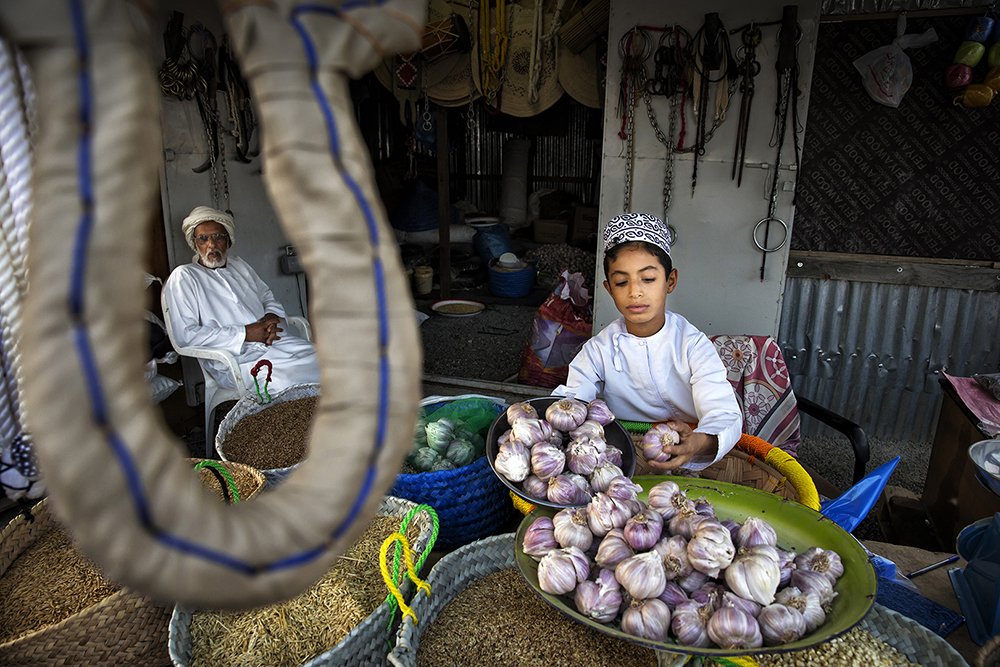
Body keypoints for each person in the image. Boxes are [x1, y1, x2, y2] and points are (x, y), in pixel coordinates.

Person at [553, 212, 742, 471]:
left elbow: (723, 412)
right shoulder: (599, 350)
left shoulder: (692, 346)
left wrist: (696, 443)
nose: (635, 292)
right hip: (625, 458)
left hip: (695, 456)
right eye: (621, 282)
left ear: (670, 281)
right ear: (609, 289)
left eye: (648, 279)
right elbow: (572, 402)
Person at [162, 206, 319, 395]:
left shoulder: (240, 266)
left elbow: (266, 296)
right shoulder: (184, 276)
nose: (211, 244)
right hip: (235, 359)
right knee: (286, 381)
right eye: (203, 238)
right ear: (195, 244)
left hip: (276, 342)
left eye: (218, 237)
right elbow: (185, 336)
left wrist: (271, 317)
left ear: (228, 241)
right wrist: (244, 334)